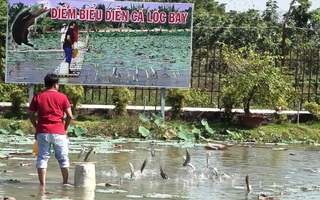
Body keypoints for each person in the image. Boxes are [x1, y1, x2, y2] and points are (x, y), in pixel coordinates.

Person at [29, 73, 73, 186]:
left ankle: (42, 186)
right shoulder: (62, 97)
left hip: (42, 131)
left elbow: (31, 115)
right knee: (63, 158)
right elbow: (69, 115)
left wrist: (37, 127)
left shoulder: (37, 97)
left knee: (42, 159)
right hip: (59, 132)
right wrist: (65, 129)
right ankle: (65, 183)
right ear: (55, 85)